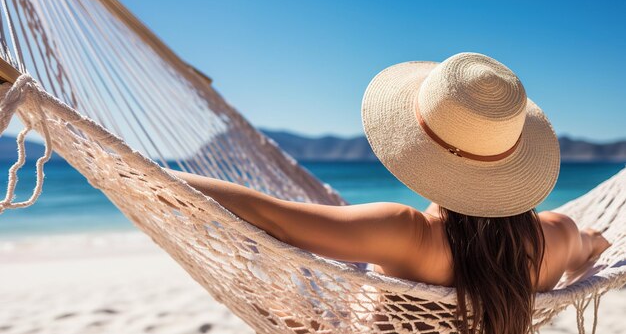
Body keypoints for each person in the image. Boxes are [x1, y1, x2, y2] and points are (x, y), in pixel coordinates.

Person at [170, 52, 610, 334]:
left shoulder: (406, 234)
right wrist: (596, 240)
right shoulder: (558, 234)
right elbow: (594, 244)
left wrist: (153, 178)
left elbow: (274, 218)